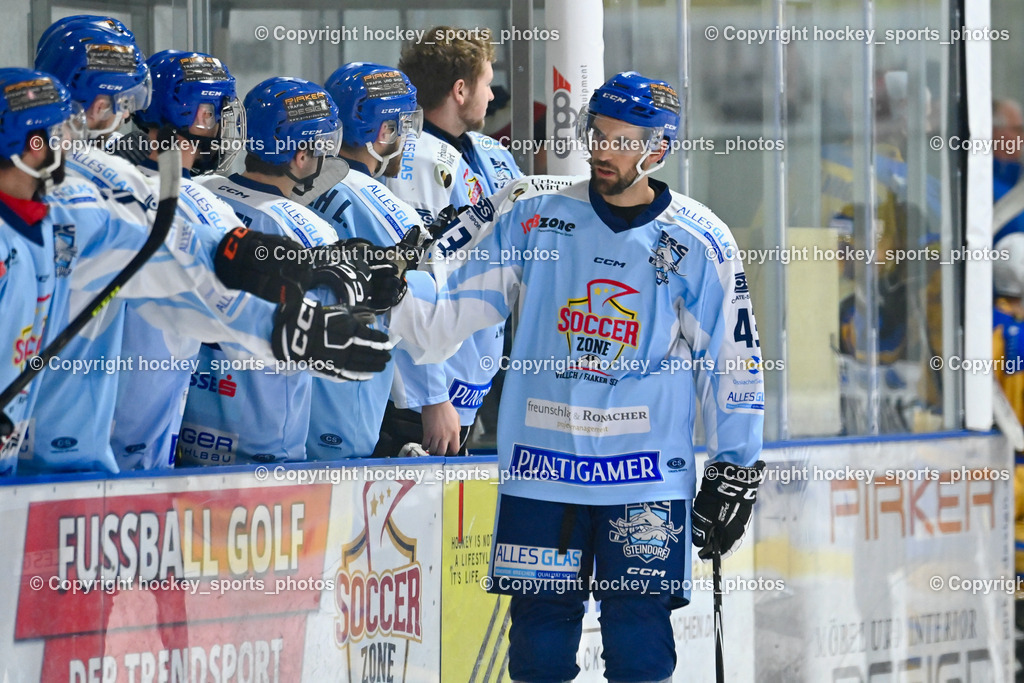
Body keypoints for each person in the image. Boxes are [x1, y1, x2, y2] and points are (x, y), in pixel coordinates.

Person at [389, 71, 766, 682]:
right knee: (537, 655)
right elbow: (442, 318)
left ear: (659, 148)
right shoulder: (532, 215)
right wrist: (392, 285)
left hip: (645, 483)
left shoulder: (701, 242)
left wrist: (736, 467)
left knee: (640, 652)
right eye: (596, 135)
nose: (601, 151)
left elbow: (734, 364)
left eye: (621, 140)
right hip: (543, 476)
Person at [180, 76, 364, 463]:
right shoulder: (308, 229)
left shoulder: (200, 191)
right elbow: (328, 343)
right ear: (300, 156)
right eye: (323, 147)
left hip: (186, 429)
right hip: (263, 445)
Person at [382, 26, 521, 456]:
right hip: (427, 396)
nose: (493, 96)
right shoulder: (413, 160)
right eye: (486, 81)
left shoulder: (491, 153)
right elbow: (409, 286)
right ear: (460, 90)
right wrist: (432, 396)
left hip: (474, 379)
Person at [304, 62, 424, 458]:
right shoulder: (392, 213)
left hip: (284, 388)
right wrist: (436, 398)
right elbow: (422, 320)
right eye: (401, 126)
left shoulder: (292, 182)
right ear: (384, 131)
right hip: (348, 401)